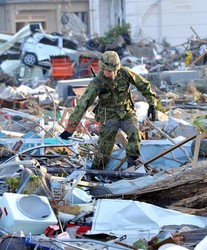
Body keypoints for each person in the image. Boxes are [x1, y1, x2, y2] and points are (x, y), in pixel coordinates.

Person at [60, 51, 157, 169]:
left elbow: (143, 84)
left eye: (114, 70)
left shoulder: (125, 73)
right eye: (109, 71)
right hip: (108, 116)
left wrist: (152, 104)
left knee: (135, 134)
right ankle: (96, 173)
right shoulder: (97, 83)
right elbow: (82, 105)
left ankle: (133, 166)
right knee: (104, 151)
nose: (112, 73)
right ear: (102, 68)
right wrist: (70, 129)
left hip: (126, 112)